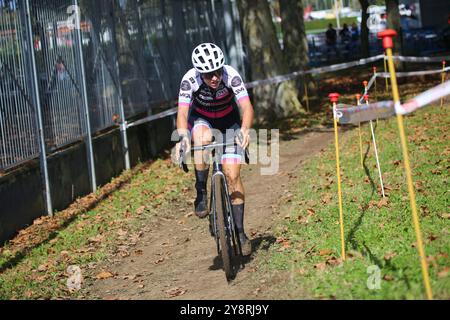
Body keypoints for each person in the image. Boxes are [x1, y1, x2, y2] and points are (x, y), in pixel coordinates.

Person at [175, 43, 254, 256]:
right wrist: (183, 137)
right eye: (209, 74)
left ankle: (240, 231)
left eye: (217, 71)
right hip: (202, 120)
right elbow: (182, 113)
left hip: (229, 123)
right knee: (201, 137)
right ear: (200, 72)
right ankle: (201, 189)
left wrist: (245, 130)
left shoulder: (231, 75)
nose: (214, 78)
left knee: (233, 175)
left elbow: (246, 107)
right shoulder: (189, 79)